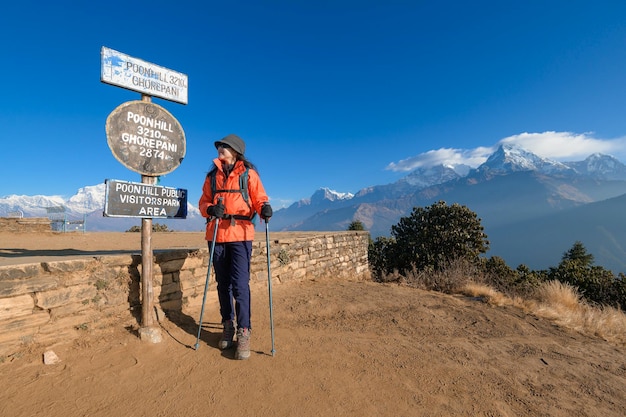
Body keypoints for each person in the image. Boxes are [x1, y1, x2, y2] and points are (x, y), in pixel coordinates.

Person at [198, 134, 273, 360]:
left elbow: (259, 197)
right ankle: (227, 324)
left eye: (224, 147)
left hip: (240, 234)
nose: (220, 149)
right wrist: (211, 209)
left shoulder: (248, 175)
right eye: (220, 147)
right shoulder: (212, 177)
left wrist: (265, 208)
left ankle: (244, 330)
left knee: (240, 285)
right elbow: (203, 202)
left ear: (236, 151)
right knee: (223, 285)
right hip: (217, 234)